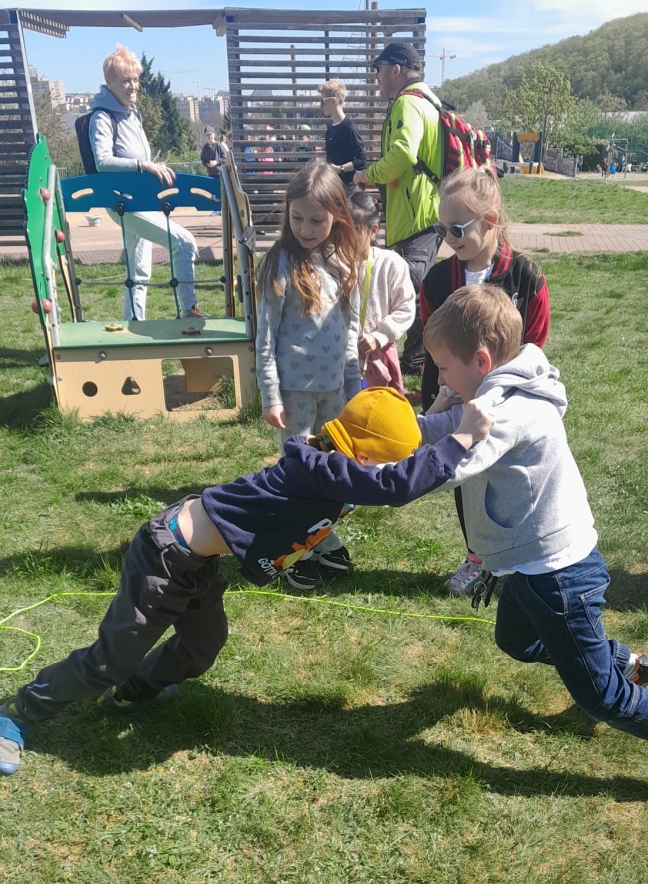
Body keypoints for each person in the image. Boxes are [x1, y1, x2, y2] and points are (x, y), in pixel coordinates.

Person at [0, 389, 492, 777]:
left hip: (198, 564)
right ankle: (20, 712)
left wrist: (438, 412)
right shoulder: (320, 470)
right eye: (386, 462)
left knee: (203, 645)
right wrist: (462, 438)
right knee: (109, 660)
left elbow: (397, 463)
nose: (393, 470)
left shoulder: (339, 467)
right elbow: (397, 484)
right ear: (362, 458)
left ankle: (135, 691)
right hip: (166, 555)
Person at [418, 284, 648, 738]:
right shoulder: (492, 396)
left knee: (603, 698)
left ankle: (612, 674)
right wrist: (384, 432)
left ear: (481, 362)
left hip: (558, 575)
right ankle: (629, 663)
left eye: (443, 368)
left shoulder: (506, 411)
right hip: (529, 566)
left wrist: (370, 479)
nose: (440, 380)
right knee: (516, 640)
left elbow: (445, 467)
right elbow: (440, 429)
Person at [420, 167, 550, 596]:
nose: (448, 239)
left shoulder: (526, 276)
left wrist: (503, 388)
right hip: (454, 399)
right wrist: (445, 392)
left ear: (490, 220)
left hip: (507, 403)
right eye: (441, 229)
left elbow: (534, 343)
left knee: (508, 477)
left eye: (457, 229)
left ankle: (514, 554)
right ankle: (477, 554)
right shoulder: (437, 280)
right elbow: (433, 341)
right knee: (466, 478)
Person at [256, 161, 362, 587]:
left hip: (333, 392)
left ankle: (320, 537)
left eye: (316, 220)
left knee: (330, 469)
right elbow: (265, 336)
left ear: (337, 215)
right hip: (293, 393)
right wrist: (270, 394)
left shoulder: (344, 263)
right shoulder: (278, 263)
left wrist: (354, 389)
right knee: (299, 472)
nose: (305, 228)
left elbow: (351, 333)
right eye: (297, 217)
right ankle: (289, 551)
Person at [89, 45, 203, 321]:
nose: (133, 86)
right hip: (124, 202)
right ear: (110, 83)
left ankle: (133, 323)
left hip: (140, 198)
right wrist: (143, 165)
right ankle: (189, 310)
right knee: (184, 242)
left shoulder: (131, 113)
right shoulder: (102, 117)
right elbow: (102, 161)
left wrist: (149, 166)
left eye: (135, 79)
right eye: (125, 81)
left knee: (139, 269)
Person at [353, 41, 442, 376]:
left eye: (378, 70)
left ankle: (417, 360)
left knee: (414, 289)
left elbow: (404, 153)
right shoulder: (428, 100)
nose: (376, 78)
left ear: (396, 69)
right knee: (418, 287)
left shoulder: (408, 102)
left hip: (415, 217)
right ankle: (418, 358)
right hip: (423, 212)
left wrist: (368, 175)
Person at [349, 191, 415, 392]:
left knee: (379, 406)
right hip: (343, 357)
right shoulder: (334, 264)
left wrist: (379, 336)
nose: (347, 237)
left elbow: (406, 308)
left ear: (373, 231)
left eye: (355, 230)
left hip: (380, 356)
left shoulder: (391, 263)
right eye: (342, 229)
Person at [317, 78, 366, 193]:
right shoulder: (330, 130)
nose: (321, 105)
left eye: (322, 101)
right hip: (333, 188)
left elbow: (362, 160)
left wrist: (340, 169)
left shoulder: (350, 127)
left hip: (349, 190)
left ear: (333, 101)